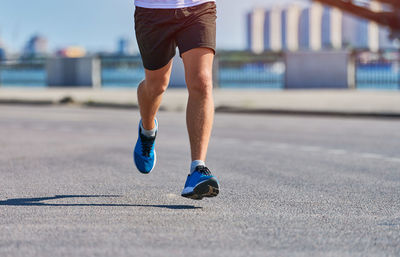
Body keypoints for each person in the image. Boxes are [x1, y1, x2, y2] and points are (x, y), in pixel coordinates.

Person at [133, 0, 220, 200]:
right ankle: (147, 131)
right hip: (152, 11)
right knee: (156, 85)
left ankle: (198, 168)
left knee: (202, 82)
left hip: (199, 7)